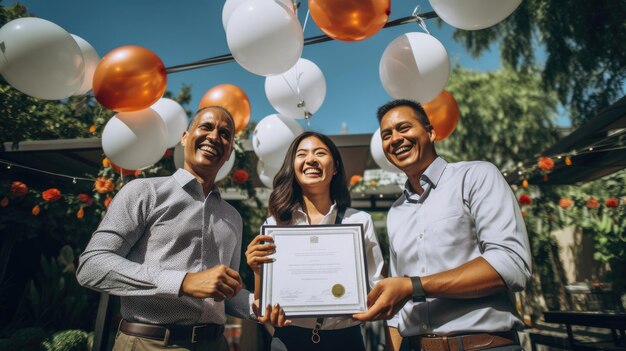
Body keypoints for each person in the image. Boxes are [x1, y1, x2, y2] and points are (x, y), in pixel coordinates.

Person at [77, 106, 275, 351]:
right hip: (149, 343)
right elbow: (91, 266)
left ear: (228, 153)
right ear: (184, 137)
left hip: (216, 345)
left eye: (225, 134)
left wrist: (260, 307)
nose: (214, 137)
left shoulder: (233, 218)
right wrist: (183, 282)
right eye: (206, 127)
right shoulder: (143, 191)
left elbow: (226, 295)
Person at [353, 99, 532, 351]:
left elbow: (511, 265)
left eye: (404, 128)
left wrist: (413, 286)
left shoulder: (476, 176)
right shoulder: (396, 212)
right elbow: (396, 313)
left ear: (431, 132)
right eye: (386, 135)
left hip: (482, 346)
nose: (395, 139)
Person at [245, 131, 385, 351]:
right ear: (293, 166)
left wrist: (366, 303)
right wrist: (256, 270)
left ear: (335, 166)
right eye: (302, 154)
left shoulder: (359, 221)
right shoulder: (274, 226)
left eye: (320, 153)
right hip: (289, 340)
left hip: (346, 338)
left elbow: (377, 285)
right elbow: (262, 305)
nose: (311, 159)